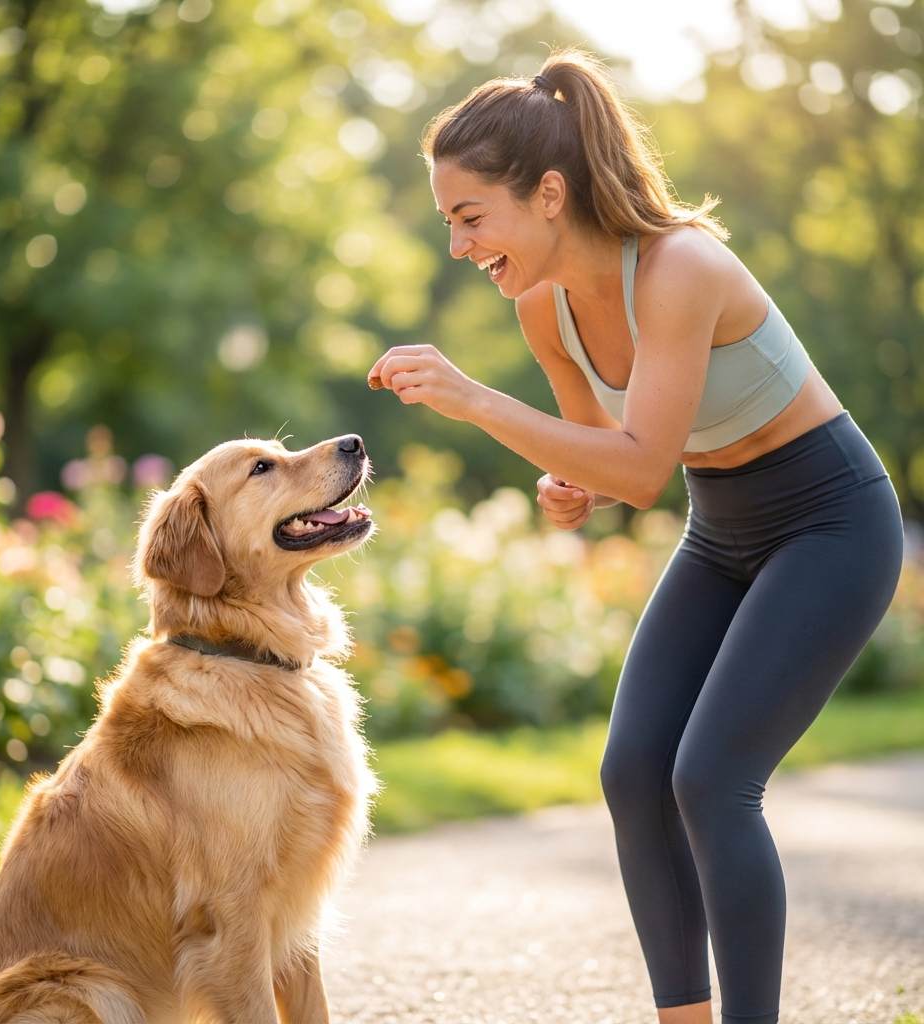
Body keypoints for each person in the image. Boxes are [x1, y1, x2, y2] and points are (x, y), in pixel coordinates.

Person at [367, 50, 903, 1024]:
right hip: (723, 525)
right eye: (448, 220)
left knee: (710, 778)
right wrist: (571, 489)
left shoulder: (680, 267)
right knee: (631, 770)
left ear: (548, 194)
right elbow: (606, 462)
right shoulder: (544, 307)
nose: (456, 244)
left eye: (468, 216)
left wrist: (475, 399)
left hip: (829, 520)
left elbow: (641, 464)